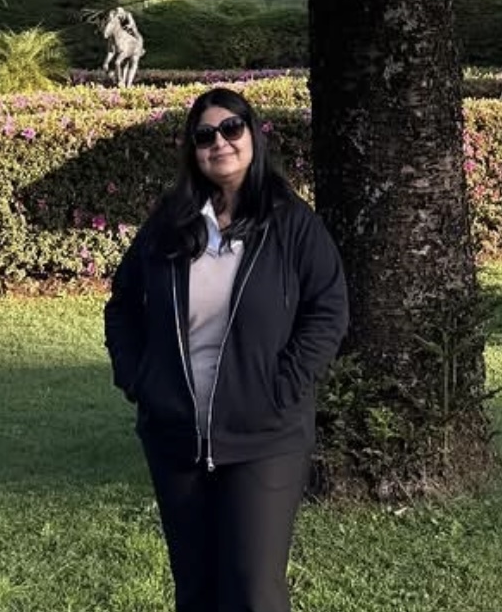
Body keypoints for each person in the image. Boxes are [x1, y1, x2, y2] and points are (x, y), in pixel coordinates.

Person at [104, 87, 348, 612]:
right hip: (176, 435)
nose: (220, 142)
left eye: (231, 128)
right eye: (205, 135)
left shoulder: (291, 222)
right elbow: (122, 304)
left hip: (265, 435)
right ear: (193, 150)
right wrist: (138, 377)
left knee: (253, 589)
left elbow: (329, 309)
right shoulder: (171, 222)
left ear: (253, 134)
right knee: (196, 589)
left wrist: (282, 386)